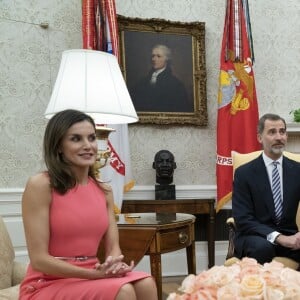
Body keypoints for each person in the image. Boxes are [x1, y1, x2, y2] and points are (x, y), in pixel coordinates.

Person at [19, 109, 157, 300]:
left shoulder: (104, 191)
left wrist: (114, 264)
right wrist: (94, 275)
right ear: (58, 146)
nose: (88, 146)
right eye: (76, 139)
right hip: (47, 282)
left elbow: (113, 248)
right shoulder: (41, 185)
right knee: (122, 291)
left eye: (91, 138)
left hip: (93, 274)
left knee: (146, 283)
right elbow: (39, 260)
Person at [232, 113, 300, 265]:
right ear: (259, 138)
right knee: (262, 248)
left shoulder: (297, 170)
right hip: (255, 236)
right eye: (272, 132)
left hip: (289, 234)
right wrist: (279, 238)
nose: (278, 137)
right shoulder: (244, 173)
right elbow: (243, 219)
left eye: (282, 132)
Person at [130, 44, 191, 112]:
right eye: (153, 56)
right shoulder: (142, 82)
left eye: (158, 56)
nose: (154, 59)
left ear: (166, 59)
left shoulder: (176, 84)